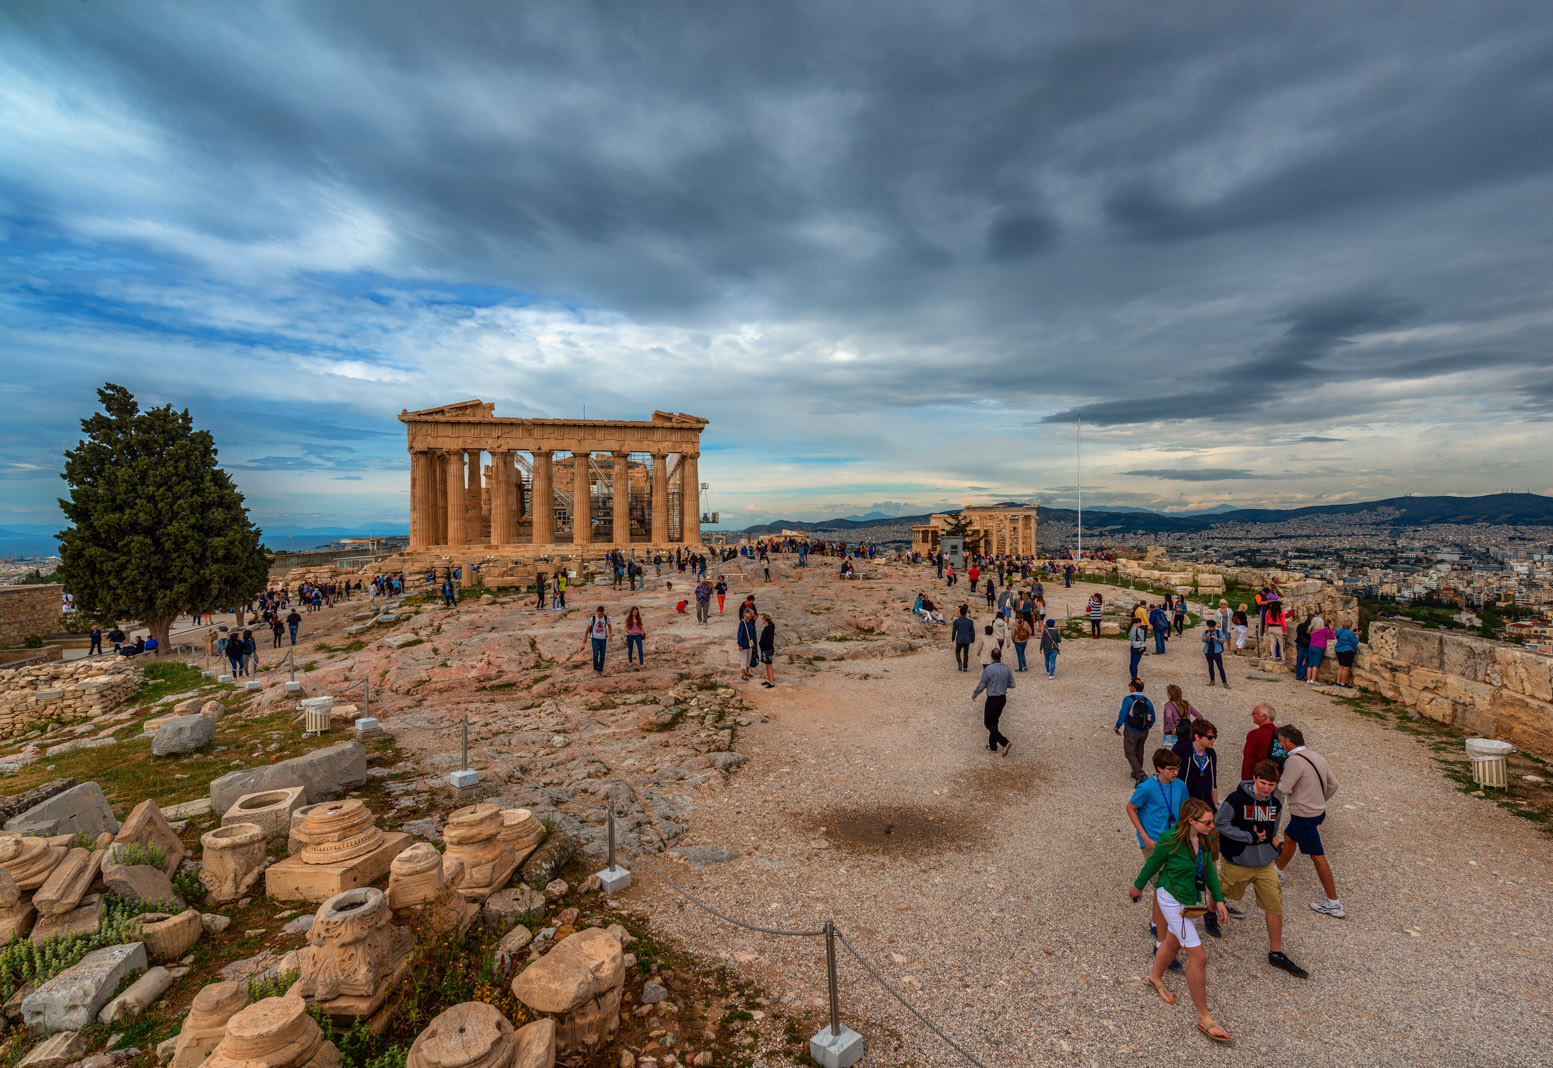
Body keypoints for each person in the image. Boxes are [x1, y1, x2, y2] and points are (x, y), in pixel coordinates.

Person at [1129, 798, 1231, 1043]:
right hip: (1171, 899)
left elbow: (1209, 873)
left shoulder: (1204, 840)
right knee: (1199, 956)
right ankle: (1204, 1016)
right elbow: (1153, 863)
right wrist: (1138, 887)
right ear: (1191, 821)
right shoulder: (1170, 839)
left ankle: (1154, 976)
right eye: (1207, 822)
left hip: (1191, 900)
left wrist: (1218, 900)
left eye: (1212, 821)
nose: (1211, 826)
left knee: (1174, 941)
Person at [1216, 761, 1309, 977]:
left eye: (1271, 784)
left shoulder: (1275, 804)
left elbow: (1272, 831)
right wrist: (1248, 836)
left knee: (1274, 904)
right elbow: (1221, 824)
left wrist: (1275, 848)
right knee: (1223, 891)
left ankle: (1276, 953)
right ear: (1254, 779)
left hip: (1265, 862)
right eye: (1263, 783)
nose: (1266, 788)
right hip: (1238, 859)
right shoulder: (1235, 799)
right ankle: (1211, 913)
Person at [1274, 725, 1344, 919]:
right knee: (1289, 836)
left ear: (1288, 741)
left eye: (1281, 741)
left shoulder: (1294, 761)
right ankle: (1277, 871)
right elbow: (1334, 784)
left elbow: (1285, 787)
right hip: (1317, 812)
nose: (1280, 745)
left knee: (1317, 856)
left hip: (1303, 814)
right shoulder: (1316, 756)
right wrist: (1318, 800)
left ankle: (1333, 903)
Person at [970, 646, 1015, 756]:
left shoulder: (988, 669)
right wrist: (1003, 685)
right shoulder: (1006, 668)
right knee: (994, 722)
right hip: (1002, 699)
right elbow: (1012, 684)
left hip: (992, 699)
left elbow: (982, 684)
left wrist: (975, 694)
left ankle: (1004, 742)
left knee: (988, 723)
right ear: (1001, 656)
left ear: (991, 656)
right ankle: (993, 746)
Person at [1172, 718, 1220, 809]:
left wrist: (1215, 805)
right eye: (1210, 737)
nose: (1213, 740)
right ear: (1197, 736)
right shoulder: (1181, 750)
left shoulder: (1211, 753)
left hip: (1206, 804)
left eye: (1215, 737)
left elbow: (1213, 781)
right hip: (1186, 804)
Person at [1114, 678, 1155, 783]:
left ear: (1133, 687)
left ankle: (1140, 774)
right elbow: (1153, 718)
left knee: (1130, 752)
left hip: (1131, 730)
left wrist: (1117, 726)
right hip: (1143, 731)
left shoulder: (1128, 700)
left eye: (1129, 685)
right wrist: (1147, 727)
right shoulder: (1147, 701)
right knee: (1139, 751)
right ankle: (1136, 772)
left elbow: (1123, 715)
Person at [1241, 704, 1285, 778]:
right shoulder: (1283, 734)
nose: (1252, 715)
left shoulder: (1255, 734)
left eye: (1254, 713)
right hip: (1278, 779)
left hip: (1260, 778)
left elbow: (1248, 761)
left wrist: (1245, 780)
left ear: (1264, 716)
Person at [1160, 683, 1201, 749]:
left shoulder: (1169, 705)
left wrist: (1173, 728)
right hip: (1186, 732)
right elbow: (1199, 716)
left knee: (1170, 754)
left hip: (1172, 733)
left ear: (1169, 694)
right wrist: (1192, 726)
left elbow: (1169, 716)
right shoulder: (1186, 704)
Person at [1305, 617, 1335, 685]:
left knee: (1310, 663)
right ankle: (1313, 680)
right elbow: (1332, 637)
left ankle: (1308, 679)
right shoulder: (1323, 629)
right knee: (1316, 664)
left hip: (1311, 646)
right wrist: (1331, 629)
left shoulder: (1312, 628)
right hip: (1319, 647)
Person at [586, 606, 612, 676]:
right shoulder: (593, 618)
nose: (600, 615)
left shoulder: (606, 618)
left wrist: (610, 635)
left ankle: (601, 669)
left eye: (602, 614)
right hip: (595, 638)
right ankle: (596, 669)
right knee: (595, 654)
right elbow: (588, 628)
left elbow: (609, 625)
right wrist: (585, 637)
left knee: (602, 654)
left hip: (603, 638)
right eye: (599, 614)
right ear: (597, 612)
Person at [949, 604, 975, 672]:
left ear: (960, 612)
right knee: (966, 653)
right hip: (967, 639)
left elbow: (954, 631)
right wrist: (973, 638)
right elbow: (972, 631)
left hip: (959, 639)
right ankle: (965, 667)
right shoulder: (970, 622)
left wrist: (953, 638)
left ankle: (959, 662)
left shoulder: (956, 621)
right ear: (966, 613)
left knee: (957, 652)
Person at [1333, 621, 1359, 688]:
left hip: (1338, 649)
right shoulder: (1350, 633)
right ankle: (1343, 683)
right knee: (1346, 668)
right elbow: (1355, 642)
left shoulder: (1338, 631)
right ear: (1350, 626)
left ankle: (1338, 682)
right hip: (1347, 650)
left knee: (1341, 667)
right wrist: (1357, 636)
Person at [1202, 619, 1228, 687]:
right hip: (1208, 652)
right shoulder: (1206, 632)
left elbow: (1223, 640)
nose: (1211, 628)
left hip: (1217, 652)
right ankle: (1212, 680)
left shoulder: (1219, 632)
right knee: (1210, 666)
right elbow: (1203, 640)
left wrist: (1216, 638)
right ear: (1208, 626)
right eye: (1210, 627)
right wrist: (1206, 636)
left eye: (1213, 627)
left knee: (1220, 667)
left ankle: (1224, 682)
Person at [736, 609, 757, 682]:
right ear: (748, 615)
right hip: (744, 644)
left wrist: (752, 641)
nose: (752, 615)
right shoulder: (742, 622)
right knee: (744, 659)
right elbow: (740, 634)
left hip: (749, 643)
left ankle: (747, 671)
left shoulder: (750, 621)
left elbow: (752, 631)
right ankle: (743, 673)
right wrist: (740, 644)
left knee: (748, 658)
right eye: (751, 614)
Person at [758, 613, 776, 688]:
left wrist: (762, 644)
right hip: (765, 649)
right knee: (767, 665)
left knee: (769, 665)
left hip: (768, 649)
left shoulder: (770, 628)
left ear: (765, 620)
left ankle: (771, 682)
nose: (762, 620)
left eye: (762, 619)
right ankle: (769, 680)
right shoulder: (767, 627)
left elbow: (769, 640)